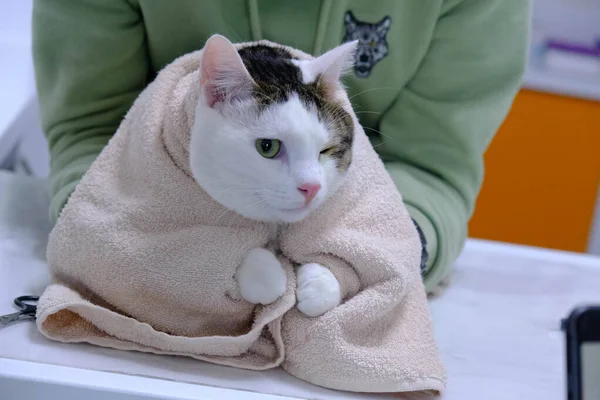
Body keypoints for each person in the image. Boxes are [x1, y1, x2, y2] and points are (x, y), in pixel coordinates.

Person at [32, 0, 530, 294]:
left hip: (348, 251)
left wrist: (376, 260)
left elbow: (432, 165)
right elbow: (92, 131)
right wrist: (109, 245)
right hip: (152, 224)